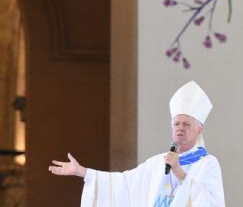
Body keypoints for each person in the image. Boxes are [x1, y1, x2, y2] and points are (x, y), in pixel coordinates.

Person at [48, 81, 225, 207]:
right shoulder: (157, 163)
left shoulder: (208, 164)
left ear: (199, 130)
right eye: (176, 124)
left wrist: (179, 172)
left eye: (186, 124)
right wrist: (82, 172)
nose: (180, 128)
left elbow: (210, 202)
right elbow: (123, 184)